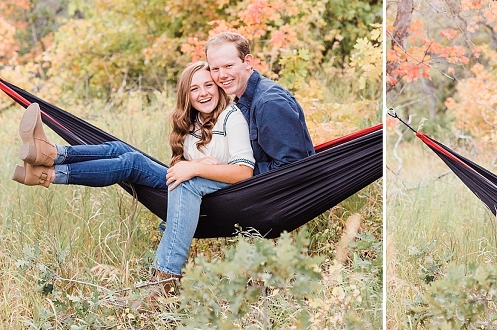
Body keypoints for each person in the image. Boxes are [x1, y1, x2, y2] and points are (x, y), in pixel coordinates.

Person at [10, 61, 254, 294]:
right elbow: (186, 167)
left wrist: (197, 168)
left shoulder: (231, 118)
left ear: (218, 87)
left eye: (208, 85)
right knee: (123, 154)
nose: (203, 93)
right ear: (186, 95)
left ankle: (50, 171)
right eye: (194, 88)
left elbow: (244, 172)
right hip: (191, 186)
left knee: (135, 163)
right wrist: (196, 164)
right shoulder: (193, 122)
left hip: (220, 195)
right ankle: (51, 159)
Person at [204, 32, 315, 174]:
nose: (222, 75)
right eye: (215, 69)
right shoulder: (241, 101)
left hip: (280, 192)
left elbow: (293, 167)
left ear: (248, 62)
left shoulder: (269, 103)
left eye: (229, 66)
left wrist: (236, 173)